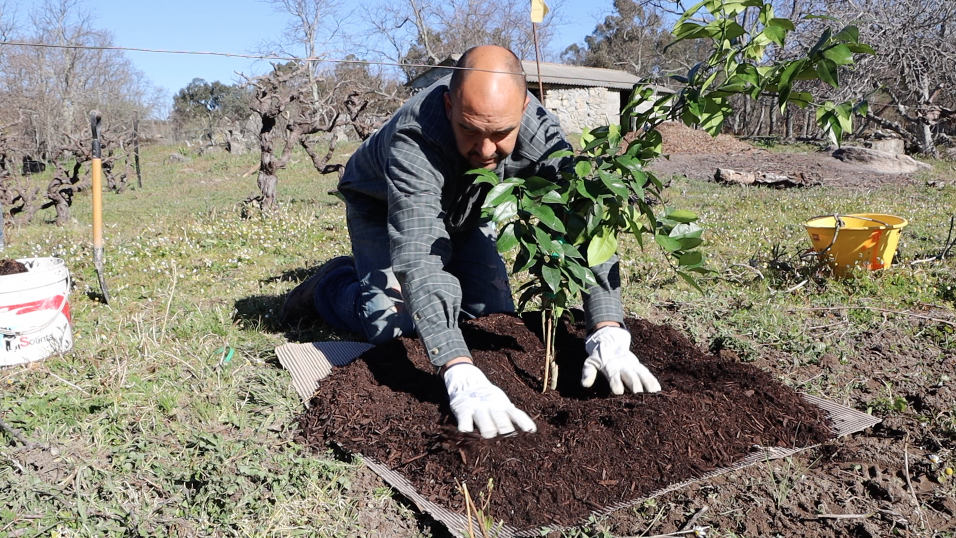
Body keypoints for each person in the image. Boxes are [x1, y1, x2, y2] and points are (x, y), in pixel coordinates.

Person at [281, 45, 661, 439]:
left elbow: (583, 220)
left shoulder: (542, 133)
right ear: (449, 105)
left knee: (494, 319)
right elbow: (418, 251)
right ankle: (332, 286)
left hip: (471, 208)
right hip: (382, 208)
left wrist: (606, 325)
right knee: (398, 331)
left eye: (500, 134)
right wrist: (457, 366)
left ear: (523, 110)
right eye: (470, 130)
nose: (485, 150)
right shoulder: (416, 136)